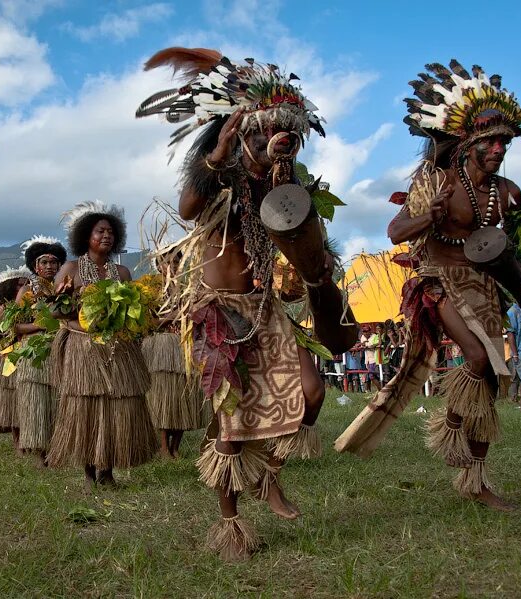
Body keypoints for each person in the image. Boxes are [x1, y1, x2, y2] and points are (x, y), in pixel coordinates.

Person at [137, 48, 355, 560]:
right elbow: (189, 210)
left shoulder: (286, 188)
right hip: (218, 308)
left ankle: (270, 476)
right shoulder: (220, 175)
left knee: (312, 392)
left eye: (283, 135)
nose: (273, 141)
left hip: (265, 307)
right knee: (232, 429)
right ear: (243, 132)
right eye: (262, 133)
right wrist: (218, 156)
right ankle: (230, 524)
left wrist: (307, 276)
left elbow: (307, 249)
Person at [336, 60, 521, 511]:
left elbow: (518, 238)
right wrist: (431, 215)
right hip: (438, 283)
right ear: (469, 145)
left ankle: (475, 481)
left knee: (493, 383)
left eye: (505, 142)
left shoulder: (507, 190)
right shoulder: (435, 181)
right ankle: (450, 428)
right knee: (476, 358)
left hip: (486, 287)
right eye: (490, 142)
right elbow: (396, 232)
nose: (499, 148)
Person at [47, 201, 158, 489]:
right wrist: (68, 298)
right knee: (86, 408)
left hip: (117, 349)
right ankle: (87, 473)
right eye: (100, 231)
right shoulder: (71, 269)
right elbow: (55, 312)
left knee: (114, 408)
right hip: (83, 347)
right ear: (87, 236)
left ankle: (107, 472)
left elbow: (133, 313)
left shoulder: (121, 273)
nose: (106, 236)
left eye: (110, 232)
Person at [142, 258, 207, 459]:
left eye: (176, 261)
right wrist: (174, 315)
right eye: (165, 262)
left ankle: (175, 447)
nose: (171, 266)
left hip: (186, 345)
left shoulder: (191, 287)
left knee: (184, 397)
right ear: (158, 265)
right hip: (161, 347)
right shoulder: (150, 289)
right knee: (163, 396)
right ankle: (163, 447)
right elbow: (148, 321)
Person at [11, 236, 67, 466]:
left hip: (60, 349)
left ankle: (58, 449)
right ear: (36, 265)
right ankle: (40, 454)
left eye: (54, 262)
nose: (50, 267)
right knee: (37, 403)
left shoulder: (65, 288)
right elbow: (14, 325)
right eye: (44, 262)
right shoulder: (26, 291)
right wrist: (39, 325)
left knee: (59, 400)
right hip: (34, 353)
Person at [0, 266, 30, 435]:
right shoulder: (3, 310)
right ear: (9, 286)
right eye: (20, 285)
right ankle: (18, 440)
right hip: (8, 360)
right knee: (12, 403)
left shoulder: (28, 307)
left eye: (26, 284)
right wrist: (10, 343)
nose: (24, 288)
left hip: (23, 355)